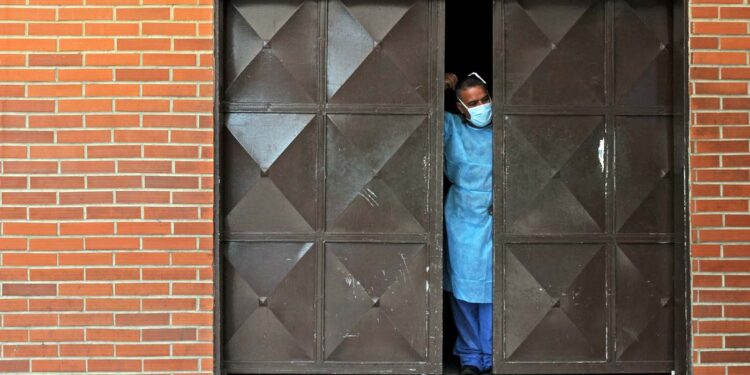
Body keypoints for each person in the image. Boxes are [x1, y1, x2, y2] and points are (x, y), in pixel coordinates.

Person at [443, 72, 493, 375]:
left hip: (498, 213)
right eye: (473, 103)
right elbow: (416, 115)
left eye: (485, 100)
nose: (481, 106)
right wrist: (437, 84)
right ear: (461, 107)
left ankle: (493, 354)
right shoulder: (451, 127)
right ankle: (471, 357)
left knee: (493, 290)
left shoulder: (509, 126)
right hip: (463, 214)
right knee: (464, 289)